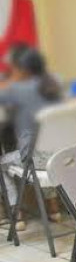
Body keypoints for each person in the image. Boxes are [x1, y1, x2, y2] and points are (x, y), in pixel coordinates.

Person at [0, 44, 62, 229]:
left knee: (2, 163)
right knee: (44, 153)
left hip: (33, 162)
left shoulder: (17, 89)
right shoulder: (53, 84)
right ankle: (54, 209)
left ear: (21, 69)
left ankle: (16, 214)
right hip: (57, 158)